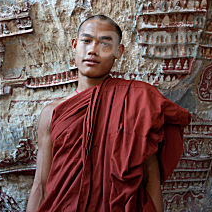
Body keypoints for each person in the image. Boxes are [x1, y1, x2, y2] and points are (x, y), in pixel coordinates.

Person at [27, 15, 191, 212]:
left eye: (105, 43)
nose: (92, 50)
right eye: (86, 41)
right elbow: (41, 184)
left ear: (118, 51)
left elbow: (150, 179)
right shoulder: (52, 112)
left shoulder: (138, 100)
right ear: (74, 45)